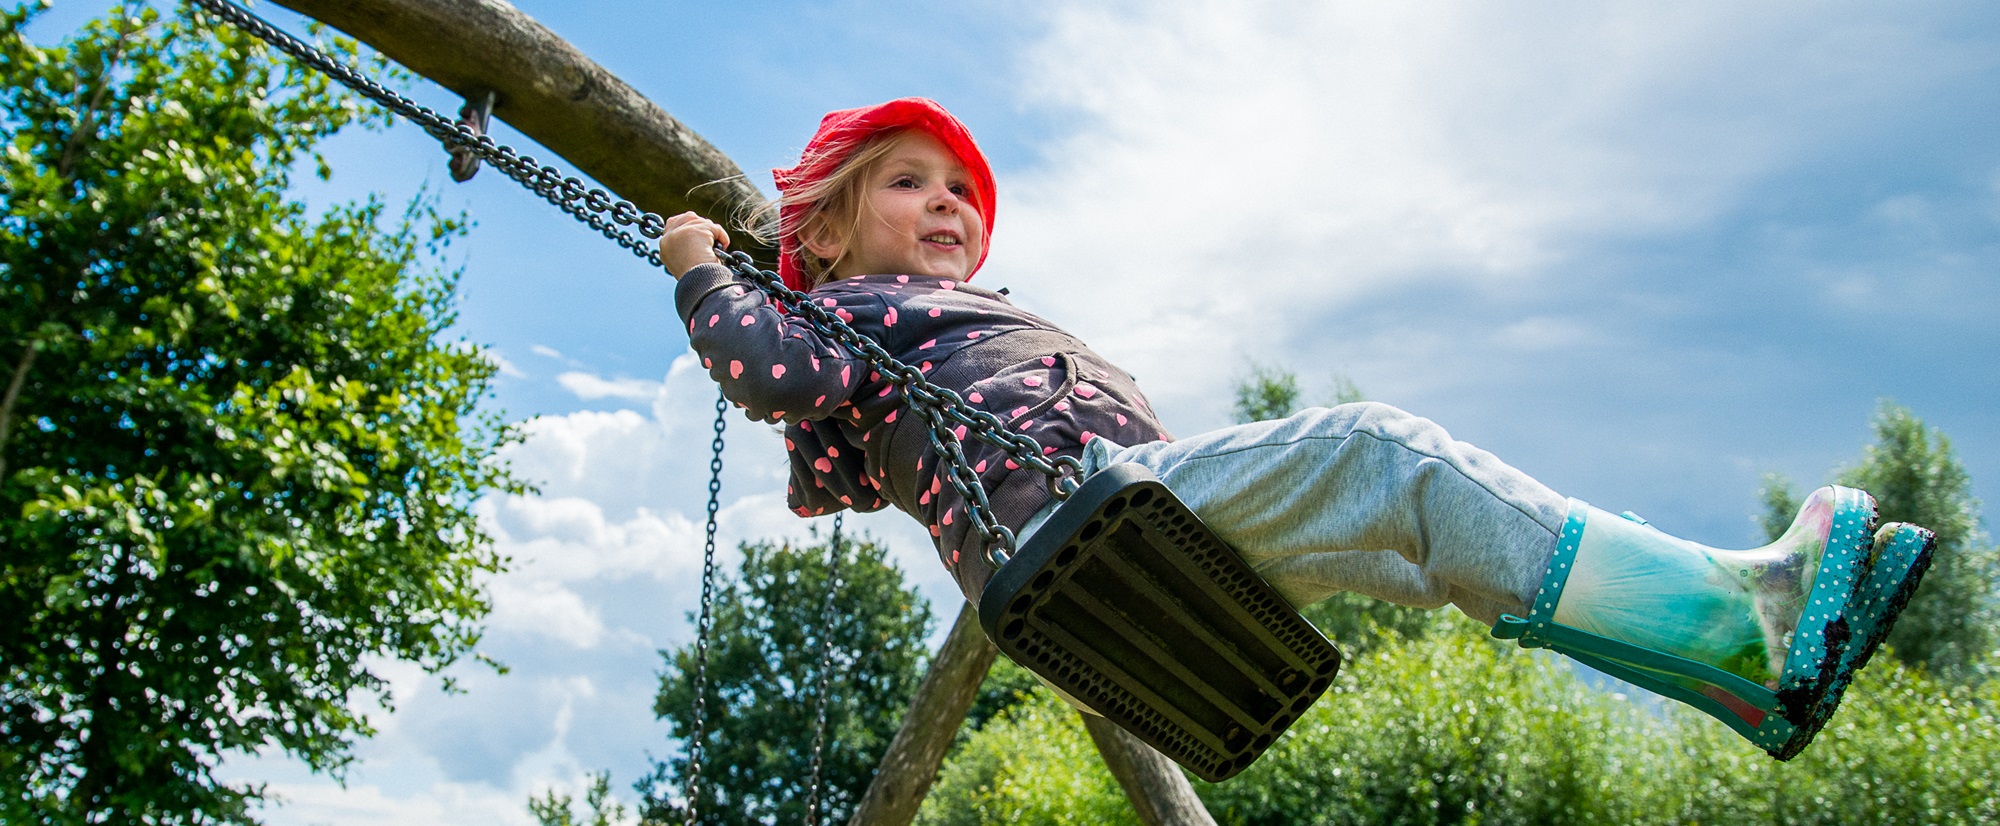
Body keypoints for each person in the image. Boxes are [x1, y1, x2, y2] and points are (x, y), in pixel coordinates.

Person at [655, 97, 1933, 761]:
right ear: (821, 231)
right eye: (905, 181)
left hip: (1128, 524)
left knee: (1425, 550)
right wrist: (702, 262)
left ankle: (1732, 672)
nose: (945, 205)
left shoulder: (951, 317)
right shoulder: (842, 321)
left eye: (960, 193)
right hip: (1078, 517)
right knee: (1380, 452)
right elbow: (762, 372)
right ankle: (1739, 608)